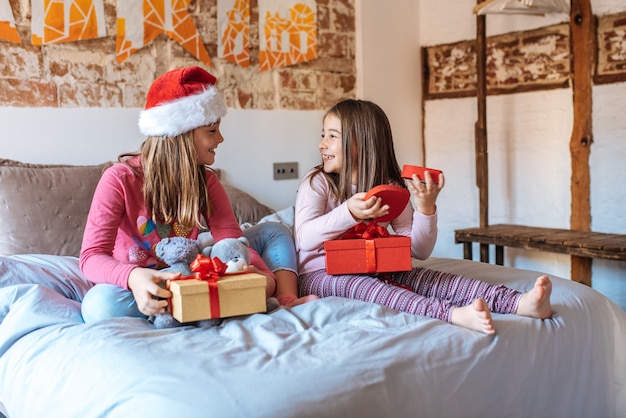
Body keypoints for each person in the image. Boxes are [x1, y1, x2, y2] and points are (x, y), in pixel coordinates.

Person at [80, 66, 315, 324]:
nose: (221, 139)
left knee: (275, 231)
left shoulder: (206, 181)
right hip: (144, 281)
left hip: (194, 272)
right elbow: (91, 256)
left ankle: (285, 300)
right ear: (177, 137)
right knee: (98, 306)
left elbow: (233, 241)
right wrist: (133, 277)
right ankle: (195, 305)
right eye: (212, 131)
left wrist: (260, 279)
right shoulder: (119, 179)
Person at [294, 98, 552, 334]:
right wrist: (349, 212)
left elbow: (418, 250)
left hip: (375, 267)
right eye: (323, 135)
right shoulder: (317, 183)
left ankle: (520, 303)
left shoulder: (388, 186)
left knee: (433, 279)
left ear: (361, 141)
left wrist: (425, 207)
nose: (322, 144)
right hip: (320, 276)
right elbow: (304, 239)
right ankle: (451, 314)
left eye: (332, 136)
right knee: (372, 291)